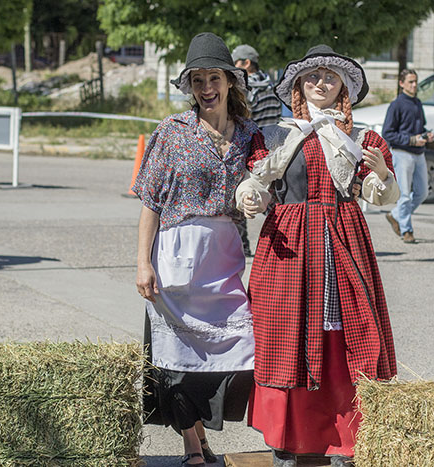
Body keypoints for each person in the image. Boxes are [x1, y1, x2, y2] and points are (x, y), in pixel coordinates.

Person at [236, 44, 400, 467]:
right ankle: (286, 442)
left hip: (341, 239)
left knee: (342, 338)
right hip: (288, 247)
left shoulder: (362, 139)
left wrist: (381, 172)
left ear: (343, 85)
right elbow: (256, 183)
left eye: (329, 77)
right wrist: (250, 198)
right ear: (298, 86)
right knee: (285, 336)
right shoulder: (274, 134)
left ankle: (345, 440)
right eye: (312, 77)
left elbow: (379, 195)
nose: (321, 84)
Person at [132, 32, 257, 467]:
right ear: (189, 86)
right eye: (197, 80)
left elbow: (271, 184)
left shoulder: (249, 136)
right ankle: (191, 442)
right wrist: (142, 263)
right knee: (177, 357)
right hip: (176, 253)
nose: (206, 88)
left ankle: (201, 435)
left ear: (230, 83)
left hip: (224, 256)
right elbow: (149, 198)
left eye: (214, 78)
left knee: (239, 346)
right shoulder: (171, 131)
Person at [229, 44, 282, 257]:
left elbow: (243, 116)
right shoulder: (271, 83)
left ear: (246, 64)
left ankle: (241, 245)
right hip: (274, 146)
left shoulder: (249, 87)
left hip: (252, 147)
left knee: (241, 197)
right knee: (271, 201)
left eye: (236, 63)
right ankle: (279, 240)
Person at [382, 68, 434, 244]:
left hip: (419, 154)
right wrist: (411, 140)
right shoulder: (396, 105)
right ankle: (407, 231)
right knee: (404, 195)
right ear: (401, 83)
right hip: (402, 154)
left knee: (421, 193)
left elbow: (421, 128)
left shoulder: (418, 103)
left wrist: (426, 135)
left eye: (415, 81)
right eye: (410, 82)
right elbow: (388, 134)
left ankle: (395, 215)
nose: (414, 85)